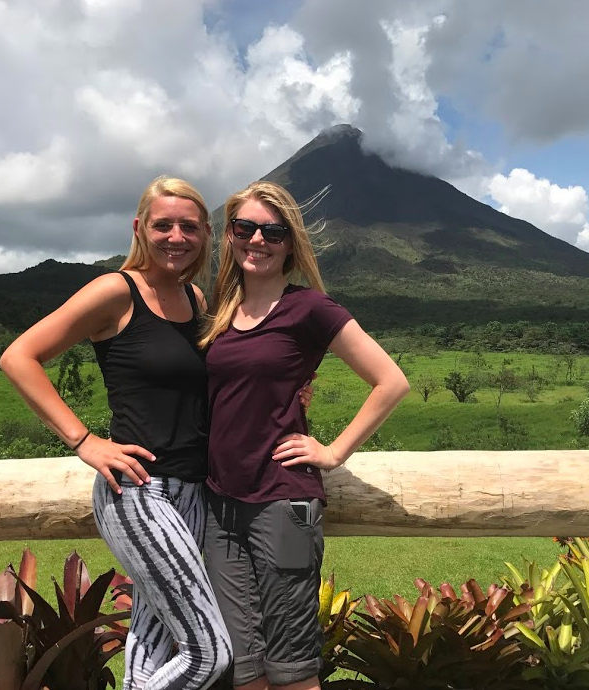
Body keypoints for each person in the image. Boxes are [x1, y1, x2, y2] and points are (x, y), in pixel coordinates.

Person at [0, 176, 233, 690]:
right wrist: (84, 441)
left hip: (193, 492)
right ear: (139, 229)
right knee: (208, 653)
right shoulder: (116, 290)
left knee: (153, 646)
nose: (176, 236)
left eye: (189, 227)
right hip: (139, 489)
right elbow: (19, 357)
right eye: (163, 224)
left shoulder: (195, 298)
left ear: (206, 234)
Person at [199, 181, 410, 690]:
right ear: (229, 236)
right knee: (243, 668)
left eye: (273, 231)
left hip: (280, 503)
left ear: (290, 243)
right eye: (244, 227)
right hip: (219, 505)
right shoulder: (220, 310)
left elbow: (391, 381)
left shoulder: (309, 308)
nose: (257, 240)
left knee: (292, 669)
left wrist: (333, 451)